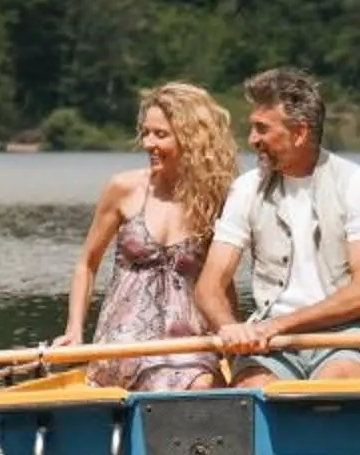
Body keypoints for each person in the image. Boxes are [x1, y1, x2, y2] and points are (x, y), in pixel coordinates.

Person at [196, 66, 360, 387]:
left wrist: (282, 325)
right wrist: (229, 327)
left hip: (349, 334)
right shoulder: (246, 190)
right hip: (271, 340)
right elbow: (209, 286)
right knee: (250, 391)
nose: (252, 140)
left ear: (299, 133)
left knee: (334, 388)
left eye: (262, 129)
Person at [57, 82, 238, 391]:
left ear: (191, 139)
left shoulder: (213, 198)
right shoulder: (123, 189)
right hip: (125, 339)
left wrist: (231, 336)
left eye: (160, 134)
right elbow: (87, 264)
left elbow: (222, 280)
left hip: (187, 341)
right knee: (185, 383)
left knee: (207, 383)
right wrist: (74, 330)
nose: (148, 143)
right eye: (146, 132)